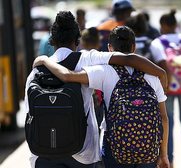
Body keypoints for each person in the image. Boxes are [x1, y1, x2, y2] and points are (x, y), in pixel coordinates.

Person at [25, 11, 167, 168]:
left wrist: (43, 59)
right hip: (83, 153)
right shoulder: (87, 58)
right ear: (77, 40)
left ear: (52, 41)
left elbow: (29, 114)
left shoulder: (36, 72)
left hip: (42, 153)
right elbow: (128, 58)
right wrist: (161, 72)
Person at [150, 9, 181, 167]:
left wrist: (165, 84)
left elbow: (161, 63)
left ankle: (170, 158)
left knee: (168, 121)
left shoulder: (157, 42)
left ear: (163, 25)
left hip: (167, 86)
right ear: (176, 24)